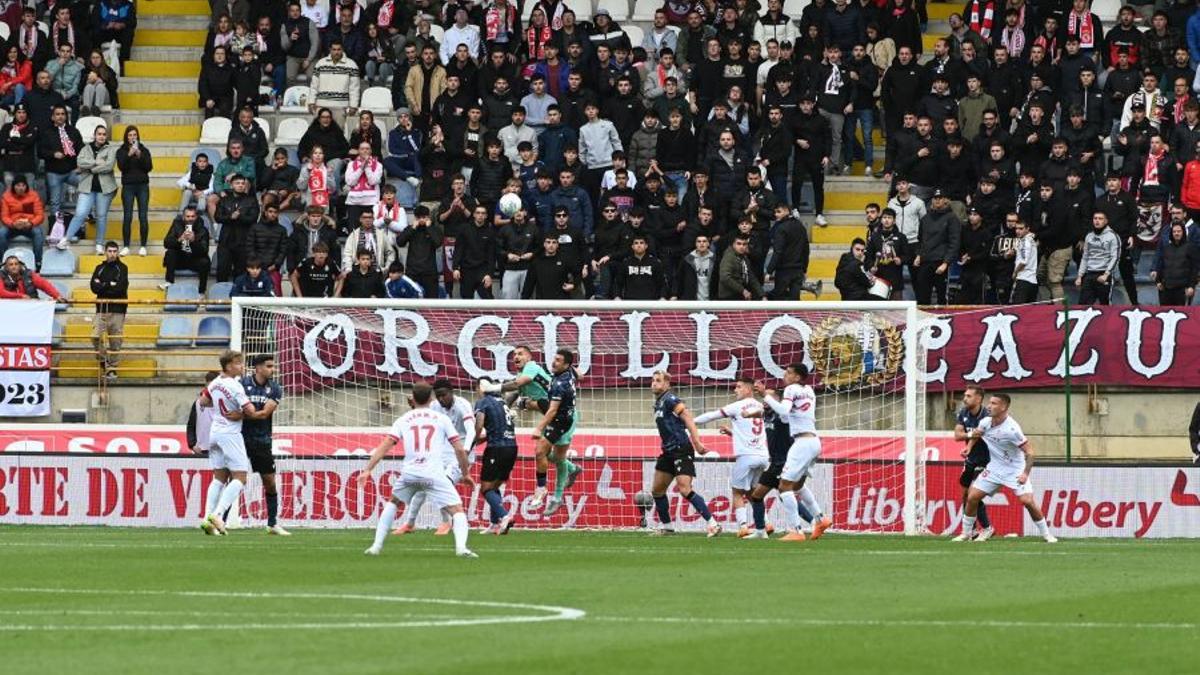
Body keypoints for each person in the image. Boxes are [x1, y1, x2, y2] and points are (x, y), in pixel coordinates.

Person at [359, 382, 476, 558]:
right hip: (433, 473)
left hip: (410, 473)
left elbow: (386, 445)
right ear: (431, 398)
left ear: (412, 398)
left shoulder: (404, 419)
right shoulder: (441, 419)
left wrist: (368, 469)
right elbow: (459, 449)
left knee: (393, 502)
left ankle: (376, 546)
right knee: (457, 510)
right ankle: (461, 548)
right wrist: (466, 473)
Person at [956, 393, 1058, 543]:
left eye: (994, 403)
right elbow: (978, 434)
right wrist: (969, 447)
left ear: (1003, 407)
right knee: (972, 497)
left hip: (1014, 470)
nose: (989, 406)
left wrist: (1025, 474)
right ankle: (966, 533)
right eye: (989, 402)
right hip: (994, 468)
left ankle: (1047, 534)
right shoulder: (985, 422)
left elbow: (1030, 452)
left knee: (1027, 501)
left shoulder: (1012, 429)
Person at [760, 363, 833, 541]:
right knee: (798, 486)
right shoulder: (809, 390)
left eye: (789, 372)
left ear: (797, 377)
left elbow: (783, 410)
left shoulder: (791, 389)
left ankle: (796, 530)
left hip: (802, 443)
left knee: (784, 486)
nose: (785, 375)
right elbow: (787, 416)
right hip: (814, 441)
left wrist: (765, 395)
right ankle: (820, 519)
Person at [692, 377, 769, 538]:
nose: (735, 390)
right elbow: (750, 432)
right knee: (754, 493)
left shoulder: (737, 406)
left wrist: (690, 422)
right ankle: (765, 524)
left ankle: (743, 527)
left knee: (737, 492)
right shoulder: (760, 406)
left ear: (748, 389)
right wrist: (732, 433)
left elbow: (711, 416)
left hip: (746, 456)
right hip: (762, 456)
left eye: (739, 387)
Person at [647, 370, 720, 537]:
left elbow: (687, 417)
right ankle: (667, 527)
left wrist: (697, 442)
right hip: (667, 451)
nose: (654, 383)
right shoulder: (658, 403)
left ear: (667, 384)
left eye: (658, 380)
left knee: (685, 489)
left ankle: (713, 524)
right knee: (657, 490)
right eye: (653, 380)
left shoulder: (670, 399)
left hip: (681, 448)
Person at [197, 350, 257, 536]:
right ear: (229, 366)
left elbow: (203, 401)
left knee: (219, 478)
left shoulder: (215, 383)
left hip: (215, 433)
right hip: (230, 434)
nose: (242, 366)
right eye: (239, 363)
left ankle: (206, 519)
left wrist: (219, 407)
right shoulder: (235, 385)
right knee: (240, 477)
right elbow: (251, 410)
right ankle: (217, 515)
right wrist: (240, 413)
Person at [240, 354, 289, 536]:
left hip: (262, 440)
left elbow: (265, 414)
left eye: (273, 366)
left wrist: (244, 415)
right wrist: (244, 414)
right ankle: (222, 520)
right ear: (258, 368)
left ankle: (272, 523)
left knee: (269, 482)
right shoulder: (242, 384)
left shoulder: (275, 388)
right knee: (234, 479)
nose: (272, 369)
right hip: (240, 439)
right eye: (269, 366)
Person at [531, 349, 584, 516]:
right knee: (545, 455)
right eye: (554, 358)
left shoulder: (561, 384)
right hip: (558, 418)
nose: (554, 362)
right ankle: (572, 468)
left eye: (558, 360)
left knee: (555, 457)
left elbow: (553, 410)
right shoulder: (566, 372)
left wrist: (539, 428)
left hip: (564, 421)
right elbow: (581, 376)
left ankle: (557, 497)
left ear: (566, 364)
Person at [472, 379, 518, 535]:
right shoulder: (502, 402)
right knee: (494, 487)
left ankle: (505, 516)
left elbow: (479, 425)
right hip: (512, 447)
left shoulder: (483, 402)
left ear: (480, 388)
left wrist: (472, 441)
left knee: (486, 488)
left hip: (496, 449)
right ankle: (494, 523)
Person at [63, 124, 117, 253]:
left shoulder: (111, 150)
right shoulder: (86, 148)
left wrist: (90, 169)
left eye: (104, 134)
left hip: (105, 188)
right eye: (99, 134)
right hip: (87, 187)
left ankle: (99, 243)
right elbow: (80, 162)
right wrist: (96, 163)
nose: (102, 136)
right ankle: (66, 239)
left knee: (101, 216)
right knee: (80, 213)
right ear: (95, 135)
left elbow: (108, 166)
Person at [951, 386, 993, 541]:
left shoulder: (987, 415)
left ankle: (987, 528)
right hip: (971, 459)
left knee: (972, 494)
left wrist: (970, 439)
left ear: (979, 398)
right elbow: (957, 435)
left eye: (969, 396)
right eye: (965, 395)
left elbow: (981, 434)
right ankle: (972, 530)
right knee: (965, 495)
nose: (964, 399)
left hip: (987, 460)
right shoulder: (963, 412)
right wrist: (971, 434)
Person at [89, 241, 128, 381]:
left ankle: (112, 368)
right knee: (95, 337)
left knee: (115, 341)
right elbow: (93, 288)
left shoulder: (122, 268)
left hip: (117, 310)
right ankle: (104, 362)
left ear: (117, 253)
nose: (112, 254)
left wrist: (102, 285)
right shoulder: (99, 268)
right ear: (105, 252)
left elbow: (120, 289)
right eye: (110, 251)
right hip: (101, 309)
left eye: (114, 251)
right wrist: (110, 284)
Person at [115, 125, 152, 257]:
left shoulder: (144, 150)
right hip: (128, 187)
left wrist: (139, 155)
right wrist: (129, 154)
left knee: (143, 216)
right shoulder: (121, 151)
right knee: (127, 216)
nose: (132, 137)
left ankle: (143, 246)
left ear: (138, 136)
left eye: (134, 135)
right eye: (130, 135)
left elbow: (149, 167)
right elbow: (121, 167)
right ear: (126, 137)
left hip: (142, 186)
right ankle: (126, 246)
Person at [765, 202, 811, 300]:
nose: (776, 214)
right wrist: (804, 268)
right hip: (798, 270)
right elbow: (806, 249)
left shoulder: (780, 228)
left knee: (779, 299)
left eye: (778, 212)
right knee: (795, 300)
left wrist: (769, 271)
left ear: (787, 211)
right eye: (775, 212)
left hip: (784, 271)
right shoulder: (800, 226)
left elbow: (778, 251)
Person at [0, 175, 45, 271]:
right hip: (13, 225)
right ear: (13, 186)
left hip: (29, 225)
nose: (21, 188)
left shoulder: (34, 195)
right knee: (1, 233)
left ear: (26, 186)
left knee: (38, 233)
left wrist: (31, 223)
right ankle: (3, 262)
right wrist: (12, 224)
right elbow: (4, 216)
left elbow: (40, 215)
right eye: (18, 185)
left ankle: (38, 262)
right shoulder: (6, 197)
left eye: (23, 185)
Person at [1075, 212, 1121, 305]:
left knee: (1105, 305)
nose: (1097, 221)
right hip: (1090, 274)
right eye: (1095, 218)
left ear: (1106, 221)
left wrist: (1106, 274)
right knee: (1083, 305)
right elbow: (1085, 257)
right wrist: (1079, 276)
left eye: (1100, 219)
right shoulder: (1089, 236)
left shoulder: (1113, 236)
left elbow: (1115, 257)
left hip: (1104, 274)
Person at [161, 207, 211, 293]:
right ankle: (169, 282)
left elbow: (204, 250)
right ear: (183, 217)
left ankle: (201, 291)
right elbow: (166, 243)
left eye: (192, 216)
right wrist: (179, 240)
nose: (190, 219)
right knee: (170, 253)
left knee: (205, 262)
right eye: (188, 216)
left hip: (194, 259)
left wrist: (194, 241)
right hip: (180, 258)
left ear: (196, 217)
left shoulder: (203, 230)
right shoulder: (176, 225)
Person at [1010, 218, 1039, 304]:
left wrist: (1015, 272)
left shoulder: (1025, 241)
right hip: (1032, 280)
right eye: (1016, 228)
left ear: (1027, 229)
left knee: (1018, 309)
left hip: (1024, 280)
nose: (1017, 231)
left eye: (1021, 228)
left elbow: (1023, 261)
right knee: (1029, 310)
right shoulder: (1030, 240)